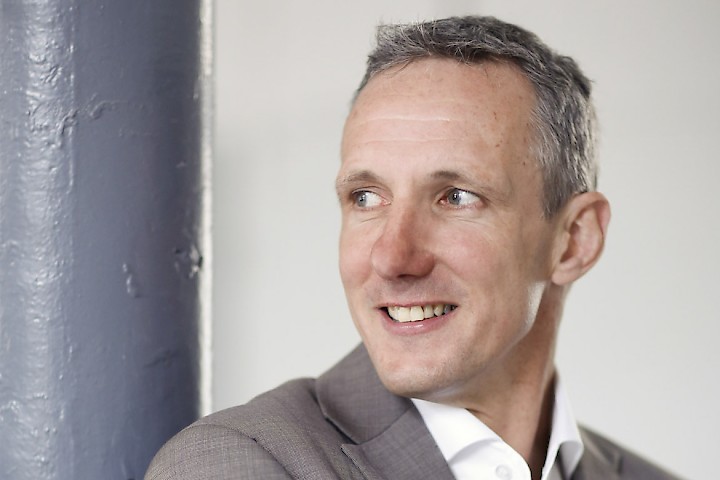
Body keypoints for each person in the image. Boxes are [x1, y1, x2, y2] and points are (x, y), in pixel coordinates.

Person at [146, 16, 681, 480]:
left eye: (456, 197)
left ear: (574, 240)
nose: (391, 257)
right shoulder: (232, 464)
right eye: (366, 197)